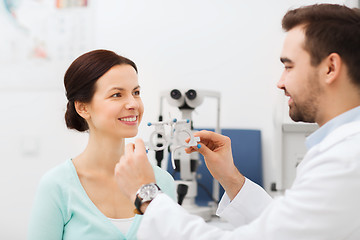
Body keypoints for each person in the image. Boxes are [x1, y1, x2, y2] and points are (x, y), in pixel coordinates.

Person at [114, 4, 360, 240]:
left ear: (330, 68)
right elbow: (290, 230)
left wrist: (146, 195)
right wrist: (231, 179)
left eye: (289, 67)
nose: (280, 82)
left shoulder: (345, 160)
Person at [28, 50, 176, 240]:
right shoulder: (58, 186)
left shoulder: (161, 182)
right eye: (116, 95)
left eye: (136, 92)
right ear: (83, 107)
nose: (133, 103)